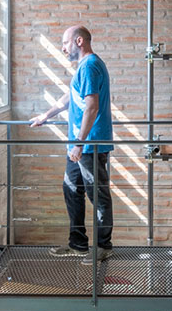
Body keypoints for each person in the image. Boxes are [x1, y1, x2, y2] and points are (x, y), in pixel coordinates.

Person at [29, 25, 114, 261]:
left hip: (89, 144)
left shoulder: (90, 66)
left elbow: (92, 106)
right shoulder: (83, 68)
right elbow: (71, 97)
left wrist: (78, 143)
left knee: (97, 195)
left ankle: (103, 246)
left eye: (65, 43)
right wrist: (46, 115)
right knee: (71, 188)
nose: (63, 48)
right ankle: (78, 244)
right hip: (81, 144)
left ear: (79, 41)